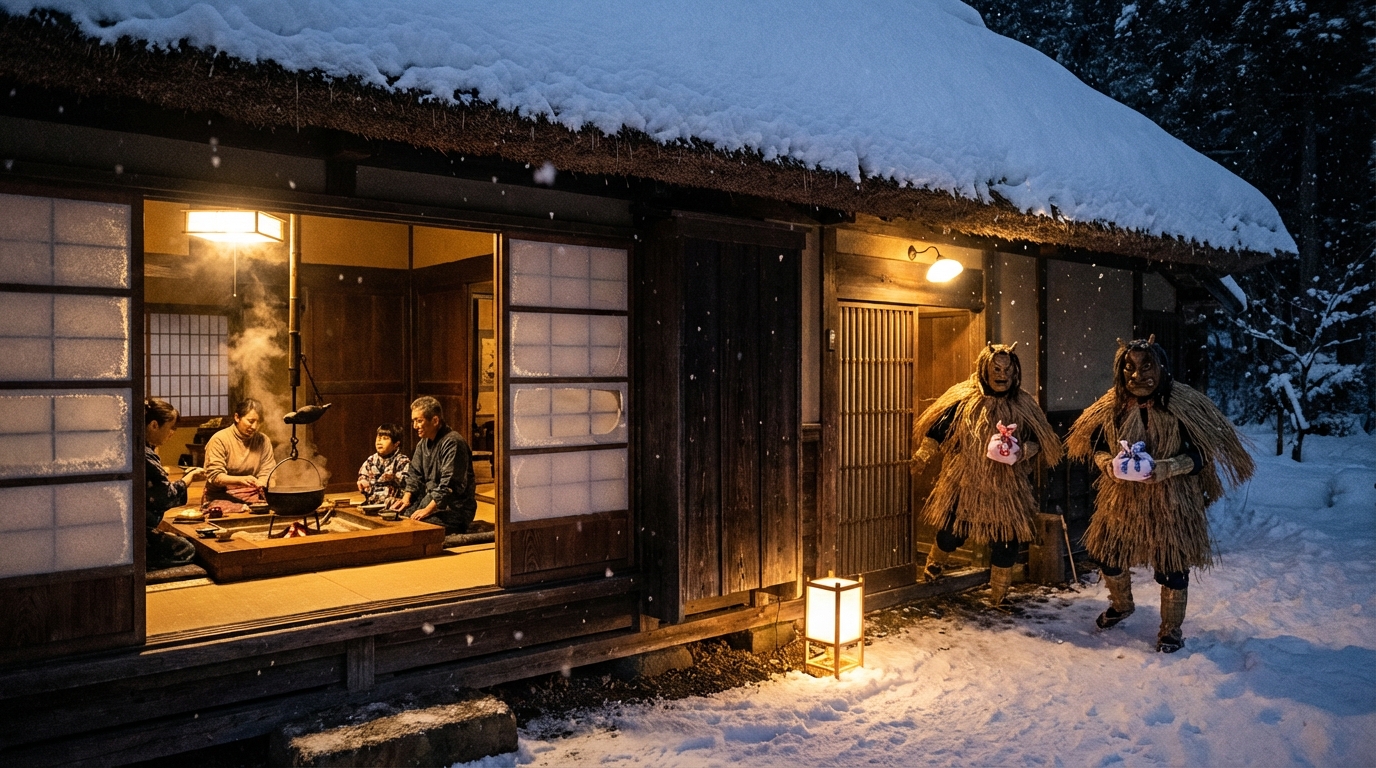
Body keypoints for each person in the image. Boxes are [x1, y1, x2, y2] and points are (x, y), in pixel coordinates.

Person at [1067, 336, 1254, 653]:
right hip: (1121, 501)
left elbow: (1201, 456)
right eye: (1130, 368)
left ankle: (1171, 629)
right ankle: (1122, 605)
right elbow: (1095, 445)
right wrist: (1106, 463)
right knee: (1108, 556)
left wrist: (1169, 467)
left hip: (1172, 502)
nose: (1138, 376)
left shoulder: (1185, 406)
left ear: (1162, 367)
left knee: (1172, 568)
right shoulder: (1111, 407)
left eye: (1147, 366)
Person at [910, 342, 1063, 606]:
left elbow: (1042, 440)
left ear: (1015, 372)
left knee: (1006, 541)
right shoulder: (965, 400)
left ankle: (999, 594)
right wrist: (923, 455)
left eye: (1007, 369)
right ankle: (935, 563)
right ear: (985, 369)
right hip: (966, 480)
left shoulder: (1023, 403)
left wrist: (1022, 451)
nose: (1001, 375)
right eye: (996, 369)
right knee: (952, 531)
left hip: (1007, 486)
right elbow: (939, 430)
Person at [391, 396, 477, 533]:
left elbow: (450, 486)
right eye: (413, 421)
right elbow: (414, 475)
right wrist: (406, 499)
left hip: (454, 507)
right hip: (429, 499)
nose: (415, 426)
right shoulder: (423, 443)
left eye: (419, 421)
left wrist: (427, 510)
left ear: (435, 420)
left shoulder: (453, 442)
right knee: (399, 517)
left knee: (416, 527)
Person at [144, 398, 204, 570]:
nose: (172, 433)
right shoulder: (144, 453)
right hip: (134, 528)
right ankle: (140, 563)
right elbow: (164, 496)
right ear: (154, 425)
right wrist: (189, 478)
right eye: (170, 428)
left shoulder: (144, 447)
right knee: (186, 549)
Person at [203, 398, 275, 504]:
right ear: (237, 417)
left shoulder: (263, 440)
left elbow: (268, 471)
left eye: (258, 422)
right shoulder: (219, 439)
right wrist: (240, 480)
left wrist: (262, 483)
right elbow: (215, 476)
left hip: (253, 494)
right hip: (222, 496)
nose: (254, 427)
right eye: (250, 421)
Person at [357, 423, 411, 506]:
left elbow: (407, 482)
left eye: (385, 438)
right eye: (378, 438)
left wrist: (394, 477)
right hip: (372, 501)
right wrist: (362, 481)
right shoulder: (371, 460)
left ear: (396, 444)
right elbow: (363, 474)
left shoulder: (402, 461)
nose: (379, 441)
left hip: (394, 503)